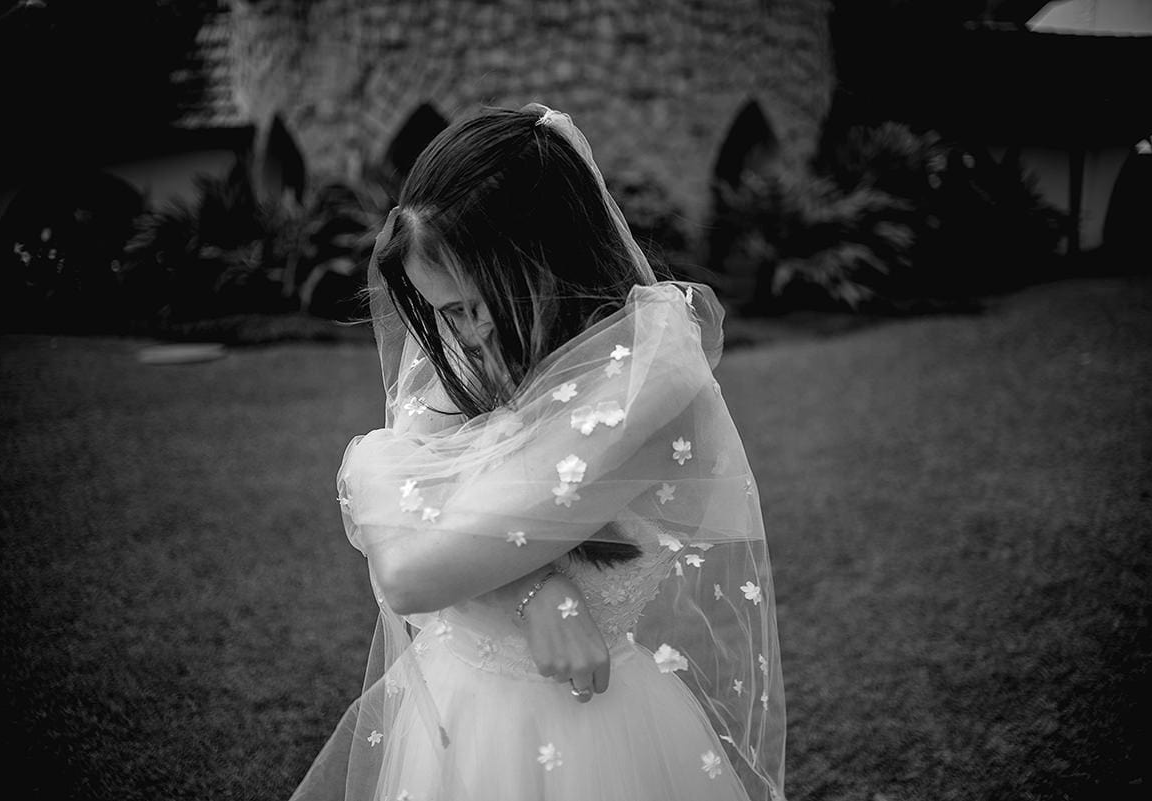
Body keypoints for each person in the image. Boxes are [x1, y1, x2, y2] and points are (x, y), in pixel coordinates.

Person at [289, 103, 786, 801]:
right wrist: (535, 586)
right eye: (442, 311)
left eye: (472, 303)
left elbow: (408, 567)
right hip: (462, 711)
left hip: (590, 735)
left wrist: (371, 460)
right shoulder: (476, 347)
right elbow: (425, 530)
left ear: (545, 260)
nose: (462, 334)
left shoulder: (647, 387)